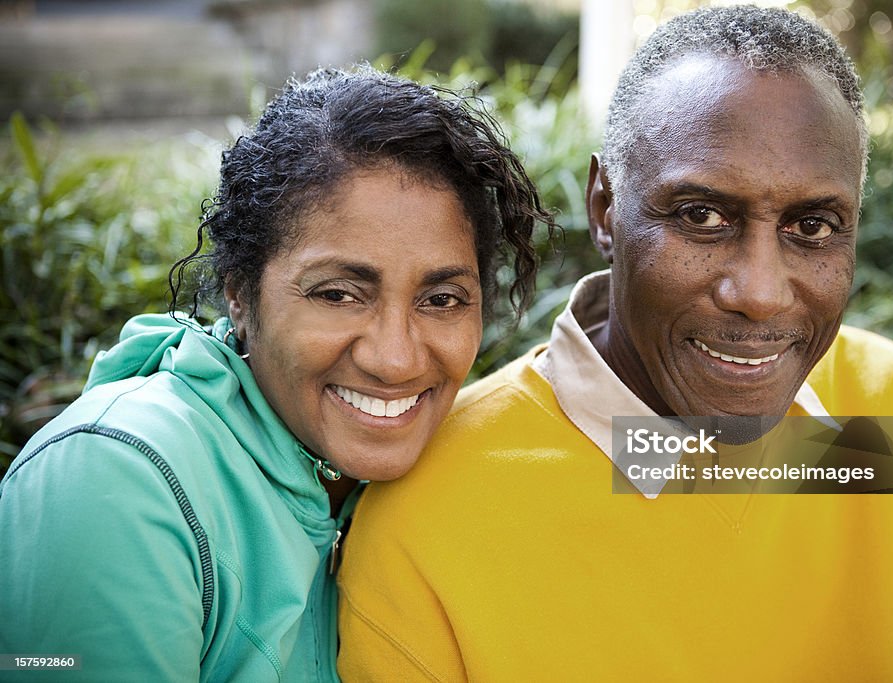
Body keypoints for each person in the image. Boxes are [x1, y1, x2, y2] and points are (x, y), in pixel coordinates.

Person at [337, 7, 893, 681]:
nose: (759, 292)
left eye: (812, 226)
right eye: (701, 215)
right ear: (605, 208)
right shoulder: (428, 522)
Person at [0, 66, 552, 681]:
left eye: (442, 300)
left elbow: (669, 464)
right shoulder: (114, 479)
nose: (396, 359)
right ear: (240, 292)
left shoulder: (491, 447)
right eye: (339, 294)